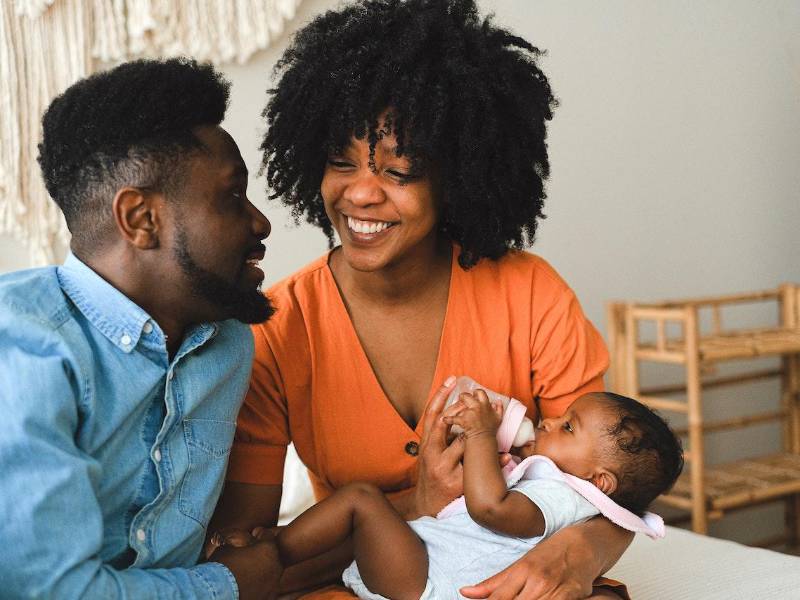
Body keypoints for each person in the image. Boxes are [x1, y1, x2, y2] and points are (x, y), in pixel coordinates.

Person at [213, 0, 633, 597]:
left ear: (458, 176)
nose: (360, 194)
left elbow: (611, 483)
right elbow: (247, 558)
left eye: (399, 172)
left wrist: (575, 554)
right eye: (340, 163)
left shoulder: (531, 293)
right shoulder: (278, 329)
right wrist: (419, 504)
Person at [0, 58, 281, 599]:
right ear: (140, 219)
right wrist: (225, 586)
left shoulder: (226, 345)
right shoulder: (25, 350)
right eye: (231, 195)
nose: (260, 222)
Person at [210, 390, 683, 600]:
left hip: (428, 580)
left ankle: (274, 548)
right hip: (428, 569)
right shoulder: (560, 486)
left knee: (360, 500)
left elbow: (490, 507)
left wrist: (480, 434)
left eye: (568, 427)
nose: (549, 421)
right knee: (363, 516)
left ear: (600, 481)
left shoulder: (565, 496)